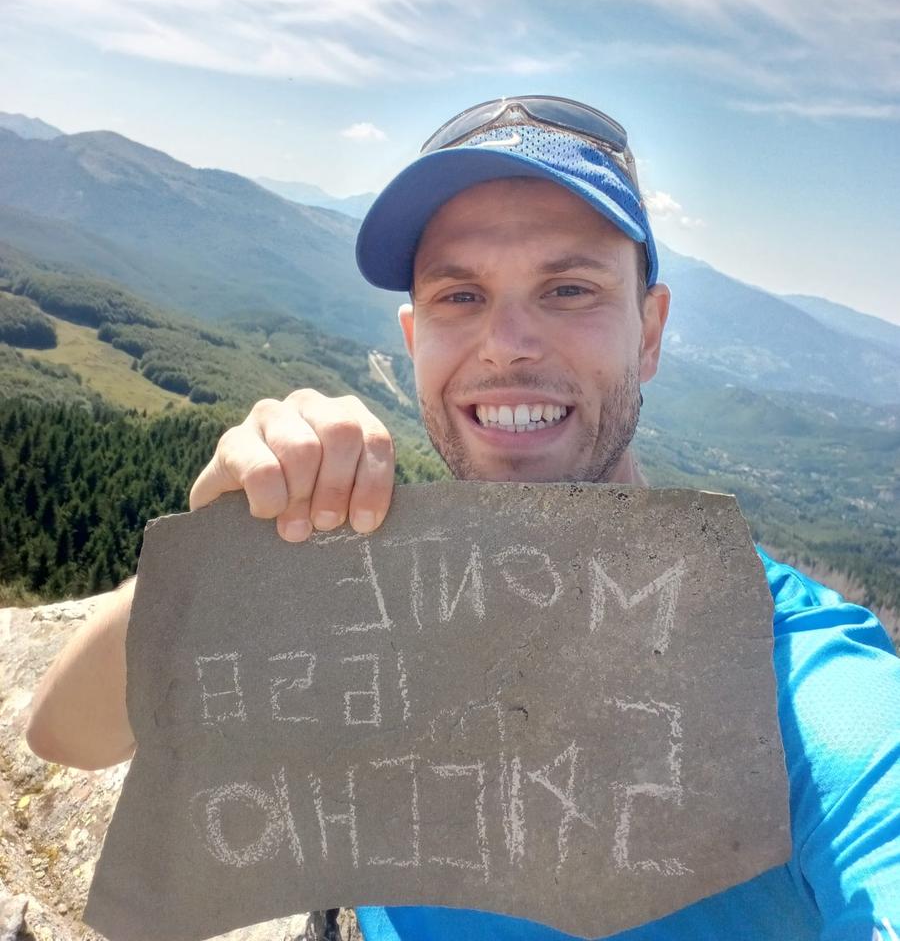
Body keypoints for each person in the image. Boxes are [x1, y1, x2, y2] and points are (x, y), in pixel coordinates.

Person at [27, 97, 900, 939]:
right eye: (461, 296)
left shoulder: (790, 670)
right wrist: (219, 557)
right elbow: (65, 734)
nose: (508, 343)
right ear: (412, 339)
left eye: (568, 289)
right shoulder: (366, 593)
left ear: (651, 331)